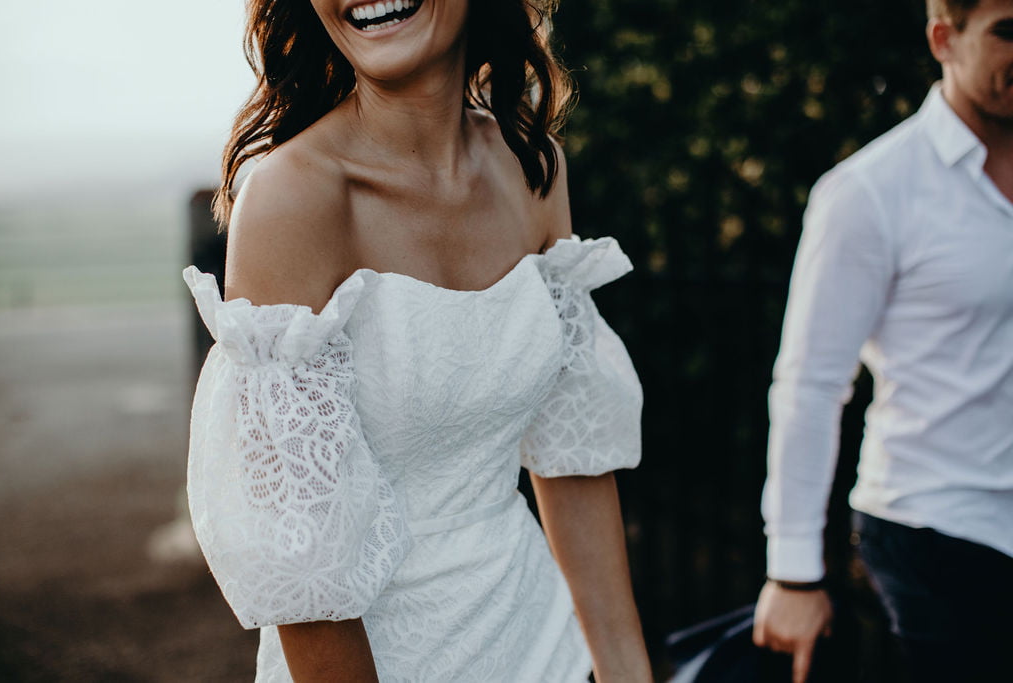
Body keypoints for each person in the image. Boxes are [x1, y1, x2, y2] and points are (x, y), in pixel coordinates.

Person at [182, 0, 652, 681]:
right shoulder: (291, 199)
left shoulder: (531, 164)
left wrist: (627, 670)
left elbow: (571, 460)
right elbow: (303, 566)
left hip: (546, 647)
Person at [752, 1, 1013, 681]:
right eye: (1008, 31)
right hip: (936, 536)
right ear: (944, 38)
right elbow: (810, 385)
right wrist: (793, 571)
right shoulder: (871, 191)